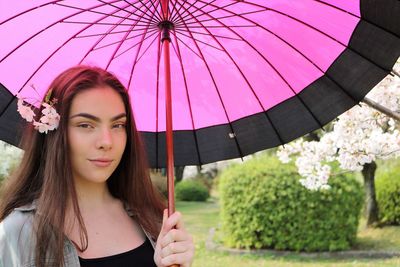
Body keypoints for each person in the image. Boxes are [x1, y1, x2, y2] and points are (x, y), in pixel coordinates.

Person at [0, 65, 194, 267]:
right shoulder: (17, 234)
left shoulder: (154, 220)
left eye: (118, 125)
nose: (107, 141)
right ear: (54, 133)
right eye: (85, 125)